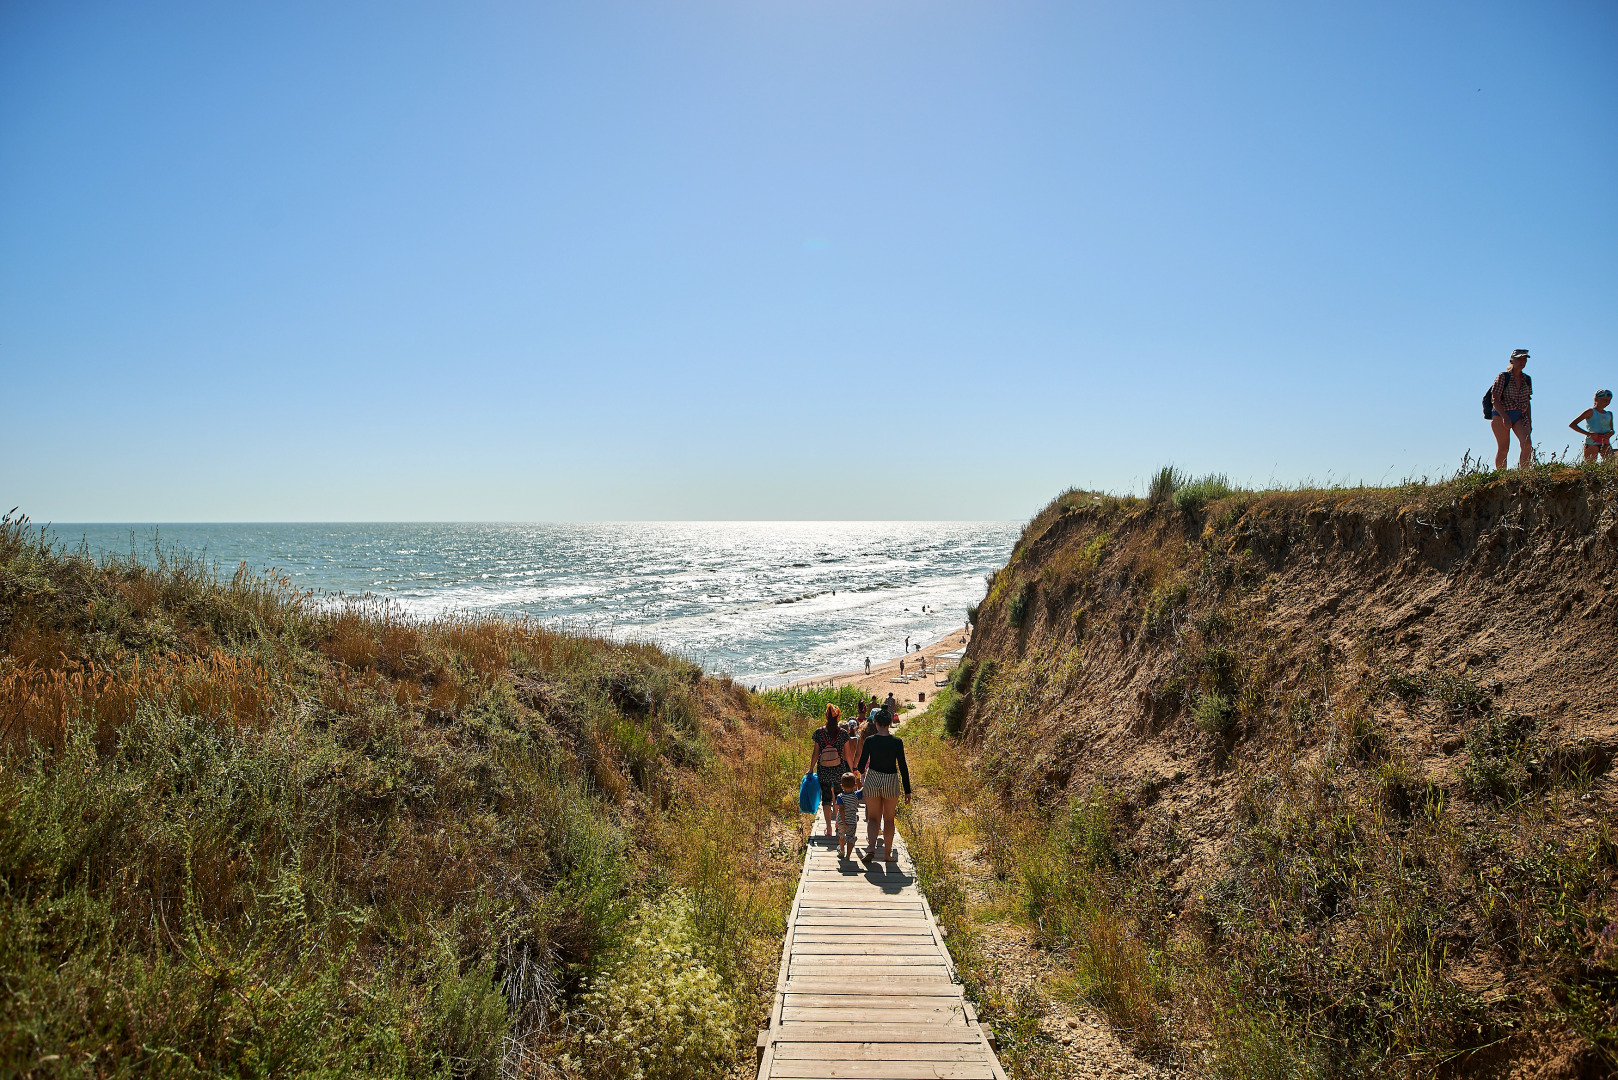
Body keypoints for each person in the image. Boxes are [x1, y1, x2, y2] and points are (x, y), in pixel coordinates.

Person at [856, 710, 911, 863]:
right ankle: (887, 854)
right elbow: (903, 767)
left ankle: (871, 848)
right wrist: (907, 790)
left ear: (876, 723)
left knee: (873, 818)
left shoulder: (870, 741)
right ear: (890, 723)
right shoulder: (897, 742)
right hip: (891, 780)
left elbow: (861, 766)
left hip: (873, 779)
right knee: (889, 819)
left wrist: (861, 774)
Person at [807, 705, 849, 838]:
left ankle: (829, 828)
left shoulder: (819, 732)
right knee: (838, 797)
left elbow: (815, 753)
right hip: (839, 770)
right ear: (838, 717)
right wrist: (853, 769)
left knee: (825, 799)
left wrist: (811, 768)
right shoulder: (843, 733)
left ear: (826, 716)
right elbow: (848, 754)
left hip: (823, 770)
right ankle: (837, 823)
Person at [1489, 349, 1533, 470]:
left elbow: (1527, 401)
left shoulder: (1527, 379)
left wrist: (1529, 421)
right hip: (1501, 414)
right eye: (1519, 359)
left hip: (1520, 415)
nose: (1522, 362)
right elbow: (1495, 399)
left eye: (1524, 359)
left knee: (1527, 444)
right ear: (1511, 360)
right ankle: (1502, 476)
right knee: (1504, 448)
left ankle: (1524, 474)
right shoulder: (1503, 377)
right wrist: (1505, 417)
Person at [1570, 390, 1615, 463]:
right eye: (1604, 400)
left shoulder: (1609, 414)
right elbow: (1573, 424)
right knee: (1590, 465)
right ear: (1596, 399)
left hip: (1605, 442)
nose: (1606, 402)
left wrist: (1611, 433)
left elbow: (1612, 429)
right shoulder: (1590, 412)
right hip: (1592, 442)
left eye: (1608, 400)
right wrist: (1589, 434)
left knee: (1611, 465)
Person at [834, 773, 862, 859]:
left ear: (842, 786)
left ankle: (842, 850)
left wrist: (842, 820)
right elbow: (863, 789)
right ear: (855, 785)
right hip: (852, 821)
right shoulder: (856, 795)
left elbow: (841, 809)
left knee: (841, 836)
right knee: (850, 838)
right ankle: (848, 855)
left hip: (842, 822)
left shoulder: (840, 797)